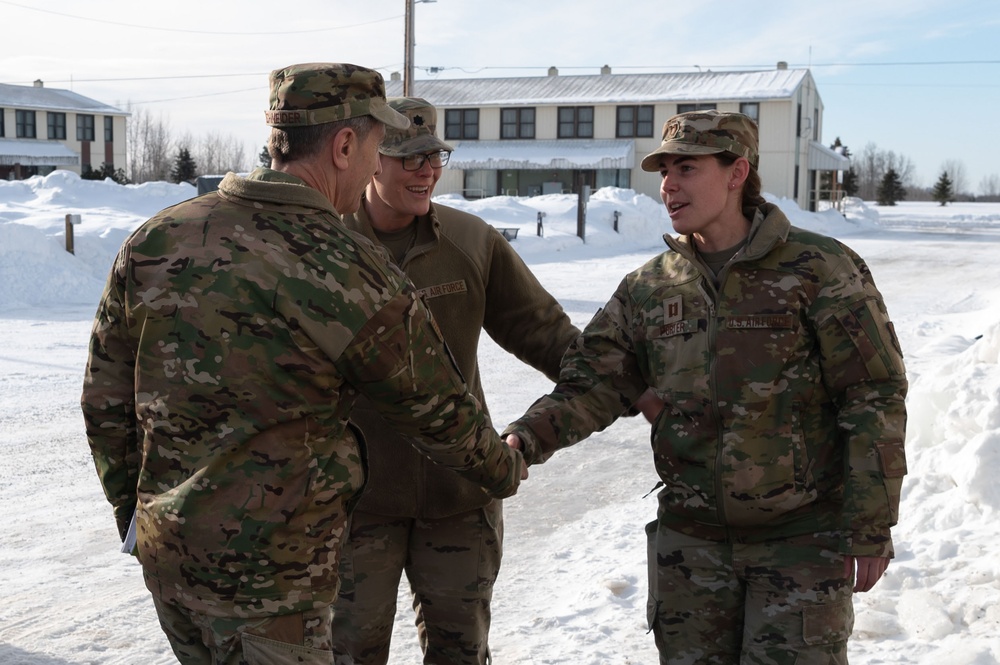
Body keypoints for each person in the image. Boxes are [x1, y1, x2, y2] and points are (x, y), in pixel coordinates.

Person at [81, 64, 525, 665]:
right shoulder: (344, 263)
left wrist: (132, 515)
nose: (377, 163)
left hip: (173, 570)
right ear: (345, 145)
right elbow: (435, 407)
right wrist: (503, 469)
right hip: (277, 590)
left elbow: (105, 401)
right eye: (377, 145)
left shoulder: (159, 237)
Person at [504, 110, 908, 664]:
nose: (668, 185)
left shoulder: (821, 269)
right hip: (690, 547)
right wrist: (523, 441)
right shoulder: (650, 286)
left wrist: (869, 523)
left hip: (800, 541)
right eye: (665, 170)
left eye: (687, 167)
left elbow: (873, 395)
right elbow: (592, 383)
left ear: (737, 171)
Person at [330, 97, 581, 665]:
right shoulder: (328, 247)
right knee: (346, 653)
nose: (427, 171)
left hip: (460, 496)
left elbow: (545, 333)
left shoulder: (470, 242)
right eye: (409, 159)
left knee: (461, 653)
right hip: (355, 506)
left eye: (434, 156)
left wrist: (623, 380)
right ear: (372, 160)